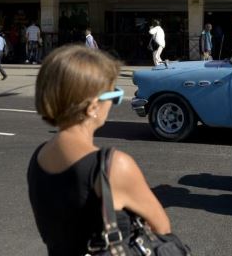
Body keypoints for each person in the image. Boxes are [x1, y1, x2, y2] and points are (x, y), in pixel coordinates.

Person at [28, 45, 171, 255]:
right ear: (93, 106)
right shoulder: (112, 166)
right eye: (114, 94)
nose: (114, 102)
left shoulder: (39, 156)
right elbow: (162, 228)